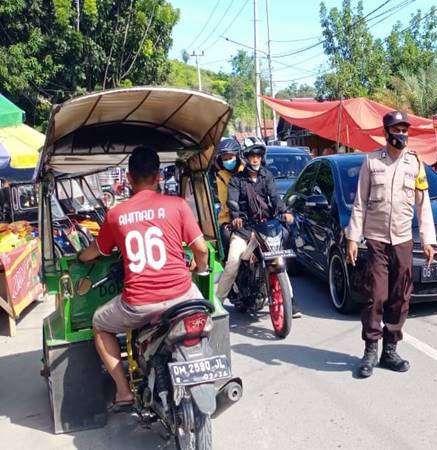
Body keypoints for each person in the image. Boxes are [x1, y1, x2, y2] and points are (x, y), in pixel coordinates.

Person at [77, 146, 209, 411]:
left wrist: (81, 257)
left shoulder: (116, 215)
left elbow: (95, 251)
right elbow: (202, 250)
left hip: (139, 305)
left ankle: (124, 391)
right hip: (182, 296)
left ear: (128, 178)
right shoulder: (177, 205)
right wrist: (198, 266)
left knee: (100, 323)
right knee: (202, 312)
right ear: (158, 176)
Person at [346, 110, 437, 379]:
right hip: (375, 240)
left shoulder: (415, 163)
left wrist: (428, 239)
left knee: (400, 297)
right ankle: (370, 351)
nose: (402, 135)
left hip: (403, 241)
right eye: (396, 130)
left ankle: (390, 351)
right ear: (386, 133)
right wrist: (353, 237)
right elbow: (360, 202)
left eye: (405, 130)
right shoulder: (371, 161)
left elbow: (424, 205)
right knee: (376, 295)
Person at [217, 143, 299, 317]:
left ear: (261, 158)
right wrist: (236, 216)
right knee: (232, 262)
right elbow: (232, 202)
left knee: (278, 258)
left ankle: (290, 301)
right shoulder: (236, 180)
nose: (255, 159)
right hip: (244, 229)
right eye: (252, 156)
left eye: (258, 156)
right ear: (245, 158)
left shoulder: (267, 176)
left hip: (265, 227)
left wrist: (285, 212)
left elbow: (275, 198)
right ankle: (217, 304)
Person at [212, 138, 244, 248]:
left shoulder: (245, 172)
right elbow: (225, 200)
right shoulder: (221, 176)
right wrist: (234, 217)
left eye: (230, 158)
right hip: (228, 217)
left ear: (238, 157)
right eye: (224, 159)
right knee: (225, 235)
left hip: (249, 215)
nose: (227, 161)